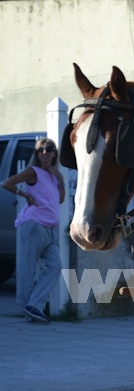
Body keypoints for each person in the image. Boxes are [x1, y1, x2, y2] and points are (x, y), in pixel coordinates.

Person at [1, 137, 65, 323]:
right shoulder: (33, 171)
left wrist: (60, 179)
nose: (45, 153)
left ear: (54, 154)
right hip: (33, 225)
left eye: (49, 149)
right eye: (41, 150)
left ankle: (33, 305)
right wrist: (25, 194)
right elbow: (6, 183)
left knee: (55, 266)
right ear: (37, 154)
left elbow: (60, 200)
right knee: (27, 270)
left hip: (49, 229)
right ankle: (27, 308)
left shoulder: (54, 175)